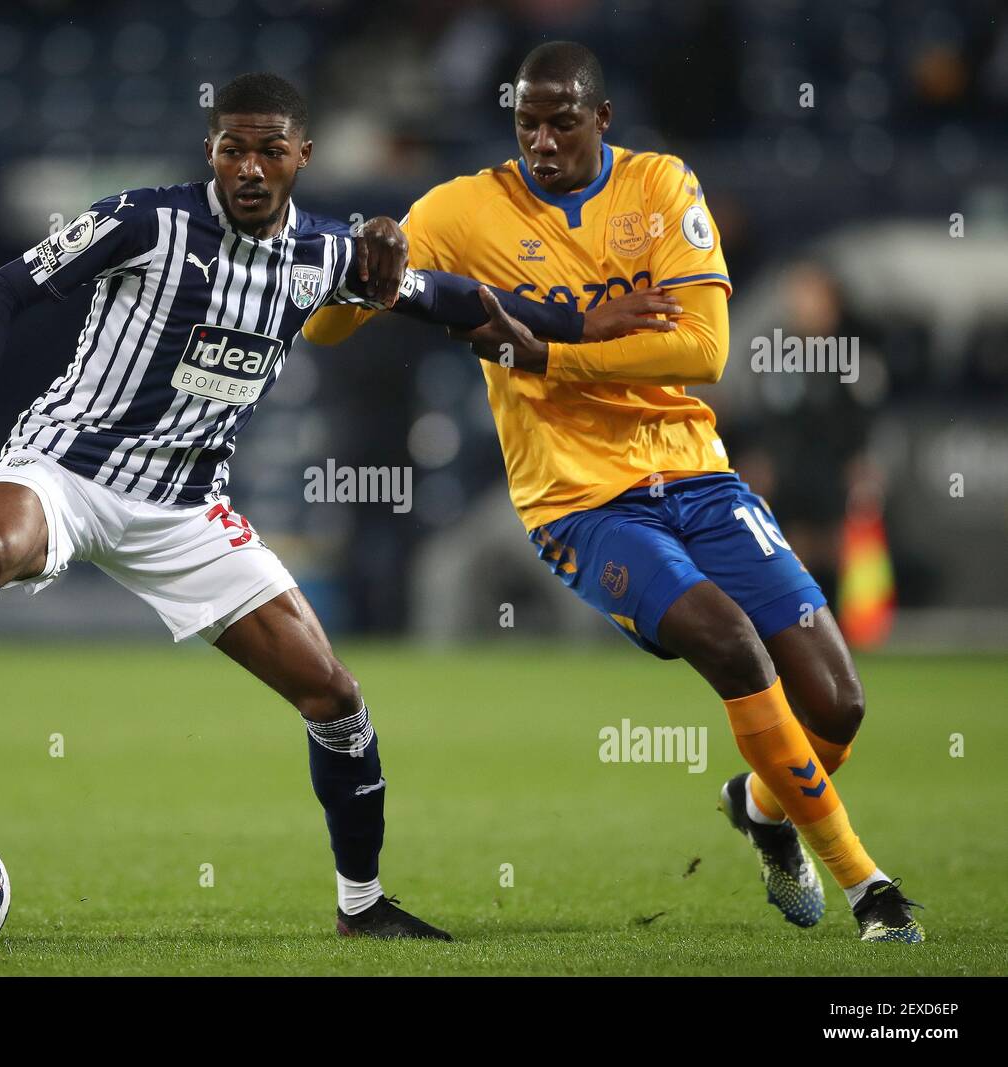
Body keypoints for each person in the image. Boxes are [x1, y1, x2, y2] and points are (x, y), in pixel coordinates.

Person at [0, 71, 659, 940]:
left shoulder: (328, 259)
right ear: (210, 151)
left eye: (269, 149)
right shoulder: (144, 221)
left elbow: (450, 301)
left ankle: (361, 907)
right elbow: (4, 290)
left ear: (303, 155)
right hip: (66, 467)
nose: (250, 167)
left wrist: (584, 326)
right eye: (233, 148)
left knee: (335, 696)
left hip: (185, 509)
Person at [303, 43, 923, 943]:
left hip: (696, 471)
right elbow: (329, 331)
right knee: (730, 642)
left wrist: (549, 350)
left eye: (562, 123)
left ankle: (761, 806)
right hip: (581, 500)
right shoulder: (461, 209)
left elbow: (702, 349)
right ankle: (871, 886)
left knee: (837, 703)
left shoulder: (661, 187)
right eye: (527, 124)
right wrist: (365, 270)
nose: (543, 142)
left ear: (602, 120)